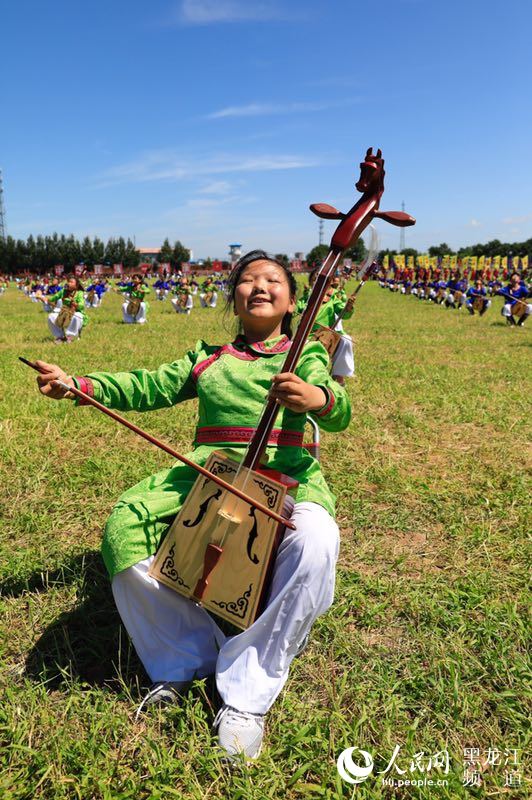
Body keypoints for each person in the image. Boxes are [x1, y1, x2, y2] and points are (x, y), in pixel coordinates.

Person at [34, 251, 349, 761]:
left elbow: (339, 408)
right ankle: (188, 656)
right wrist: (80, 385)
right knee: (124, 529)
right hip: (208, 473)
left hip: (287, 476)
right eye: (247, 280)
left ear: (292, 300)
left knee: (317, 541)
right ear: (234, 298)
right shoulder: (208, 357)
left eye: (273, 279)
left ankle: (247, 692)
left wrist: (317, 398)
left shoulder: (307, 352)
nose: (260, 286)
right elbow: (146, 384)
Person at [297, 267, 355, 384]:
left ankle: (338, 376)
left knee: (346, 340)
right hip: (307, 337)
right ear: (311, 282)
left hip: (328, 335)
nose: (318, 283)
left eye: (322, 280)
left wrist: (348, 308)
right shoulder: (304, 300)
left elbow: (343, 313)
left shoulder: (332, 298)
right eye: (315, 280)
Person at [47, 275, 87, 343]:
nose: (69, 283)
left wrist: (76, 305)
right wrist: (48, 300)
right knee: (51, 316)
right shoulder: (63, 291)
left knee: (77, 316)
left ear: (76, 285)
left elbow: (82, 305)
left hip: (76, 313)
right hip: (64, 313)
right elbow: (53, 298)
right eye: (68, 282)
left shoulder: (80, 293)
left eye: (71, 282)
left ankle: (70, 336)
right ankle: (60, 336)